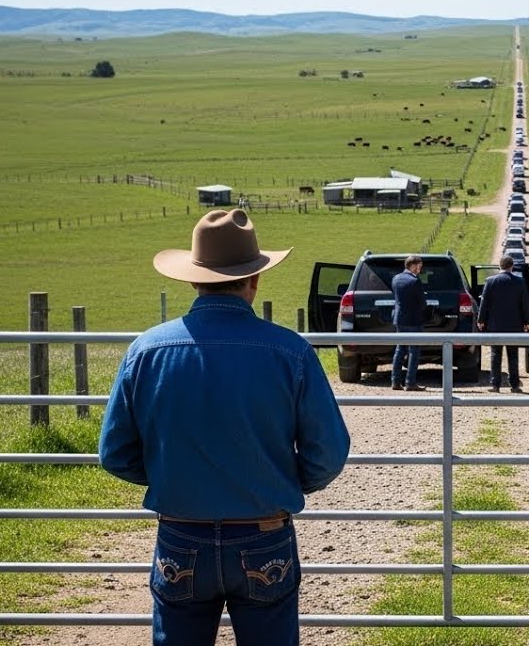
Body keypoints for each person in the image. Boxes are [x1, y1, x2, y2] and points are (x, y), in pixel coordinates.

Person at [98, 208, 351, 646]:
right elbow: (327, 453)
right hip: (264, 533)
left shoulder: (147, 351)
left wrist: (169, 474)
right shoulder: (290, 352)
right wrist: (282, 481)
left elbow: (115, 452)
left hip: (180, 533)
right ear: (255, 280)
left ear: (193, 278)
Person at [477, 255, 529, 393]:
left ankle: (495, 384)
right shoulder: (520, 282)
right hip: (514, 325)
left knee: (496, 354)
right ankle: (514, 385)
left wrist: (481, 320)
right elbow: (524, 304)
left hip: (495, 325)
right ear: (511, 266)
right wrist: (527, 322)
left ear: (499, 266)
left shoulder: (490, 281)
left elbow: (484, 303)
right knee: (513, 355)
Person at [391, 254, 427, 391]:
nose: (420, 269)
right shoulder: (415, 281)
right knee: (414, 351)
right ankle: (410, 382)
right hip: (414, 320)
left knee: (400, 349)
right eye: (419, 267)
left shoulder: (396, 278)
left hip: (400, 319)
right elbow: (422, 303)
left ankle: (395, 381)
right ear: (413, 265)